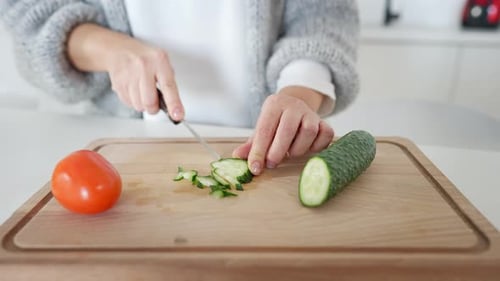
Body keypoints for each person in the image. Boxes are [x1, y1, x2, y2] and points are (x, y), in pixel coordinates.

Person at [0, 0, 360, 175]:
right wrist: (108, 49)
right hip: (118, 141)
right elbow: (28, 14)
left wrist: (298, 92)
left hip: (273, 150)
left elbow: (323, 14)